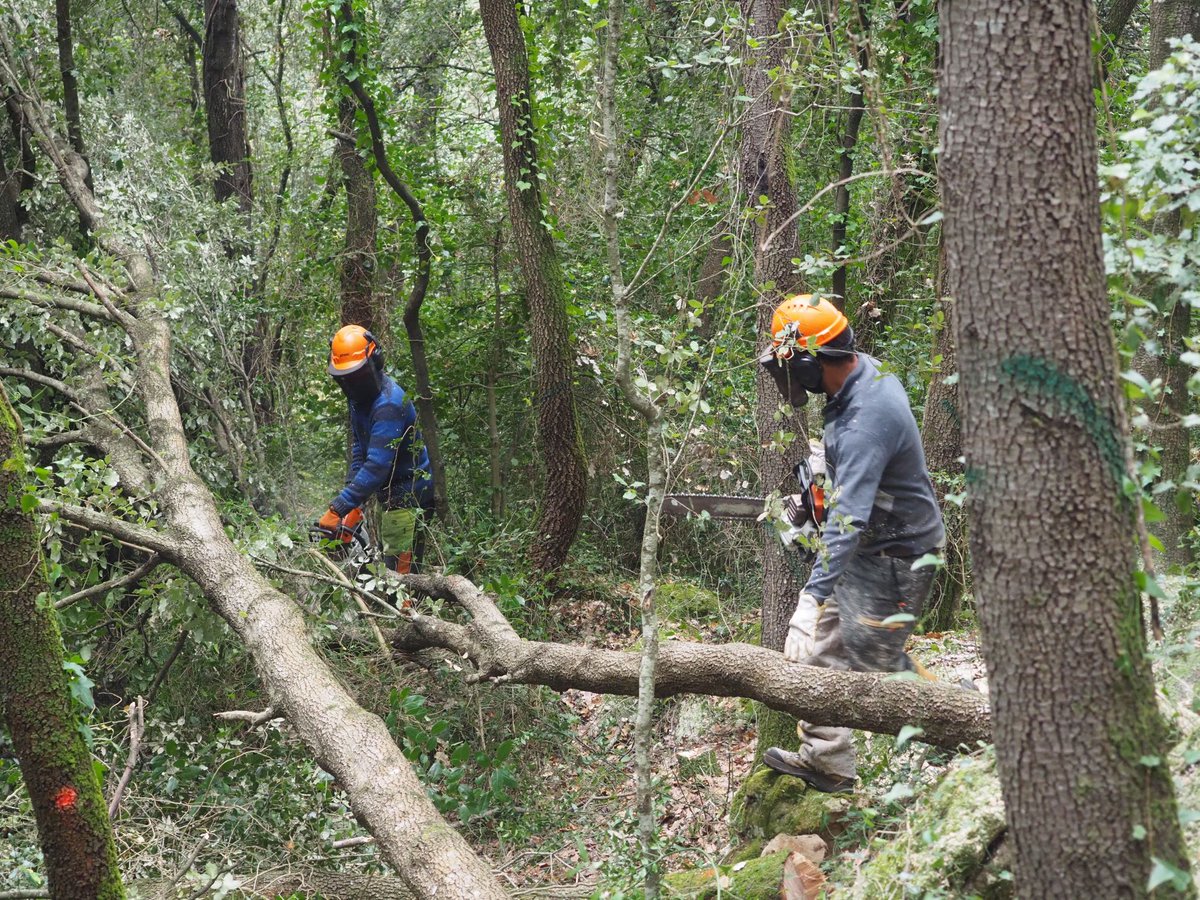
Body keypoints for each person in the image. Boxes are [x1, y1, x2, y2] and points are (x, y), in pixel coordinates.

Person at [758, 295, 945, 793]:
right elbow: (858, 481)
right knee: (879, 656)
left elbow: (850, 517)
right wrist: (825, 470)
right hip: (886, 544)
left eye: (790, 368)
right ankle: (965, 722)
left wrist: (811, 596)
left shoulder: (863, 418)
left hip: (895, 556)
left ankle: (830, 762)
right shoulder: (865, 375)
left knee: (828, 657)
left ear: (808, 362)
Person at [316, 325, 436, 574]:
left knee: (401, 577)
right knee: (387, 564)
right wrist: (352, 505)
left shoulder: (388, 404)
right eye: (345, 378)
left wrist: (338, 507)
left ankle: (408, 611)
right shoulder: (358, 399)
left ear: (375, 361)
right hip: (389, 495)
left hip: (408, 496)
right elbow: (361, 448)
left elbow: (377, 466)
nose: (351, 383)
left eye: (357, 376)